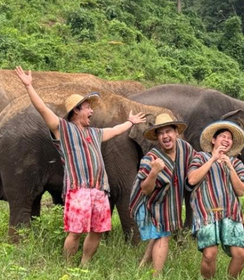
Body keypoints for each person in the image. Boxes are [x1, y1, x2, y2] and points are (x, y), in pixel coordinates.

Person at [14, 66, 146, 265]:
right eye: (87, 108)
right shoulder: (63, 130)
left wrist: (130, 122)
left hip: (100, 190)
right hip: (79, 190)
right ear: (76, 110)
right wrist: (29, 86)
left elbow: (115, 130)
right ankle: (68, 266)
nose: (92, 111)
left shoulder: (95, 133)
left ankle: (84, 264)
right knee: (75, 233)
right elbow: (42, 109)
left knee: (98, 231)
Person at [130, 113, 194, 276]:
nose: (165, 136)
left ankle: (142, 266)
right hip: (149, 202)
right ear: (157, 137)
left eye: (168, 131)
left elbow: (195, 163)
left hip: (169, 201)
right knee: (163, 235)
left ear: (176, 132)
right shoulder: (151, 159)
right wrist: (153, 173)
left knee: (160, 232)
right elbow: (145, 190)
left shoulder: (185, 148)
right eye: (161, 133)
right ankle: (156, 275)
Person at [187, 121, 244, 279]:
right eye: (223, 136)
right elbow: (192, 180)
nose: (227, 140)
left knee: (240, 254)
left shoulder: (236, 163)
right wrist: (212, 159)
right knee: (209, 254)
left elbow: (240, 190)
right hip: (206, 213)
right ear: (213, 140)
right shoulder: (200, 157)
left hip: (231, 213)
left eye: (230, 138)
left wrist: (230, 166)